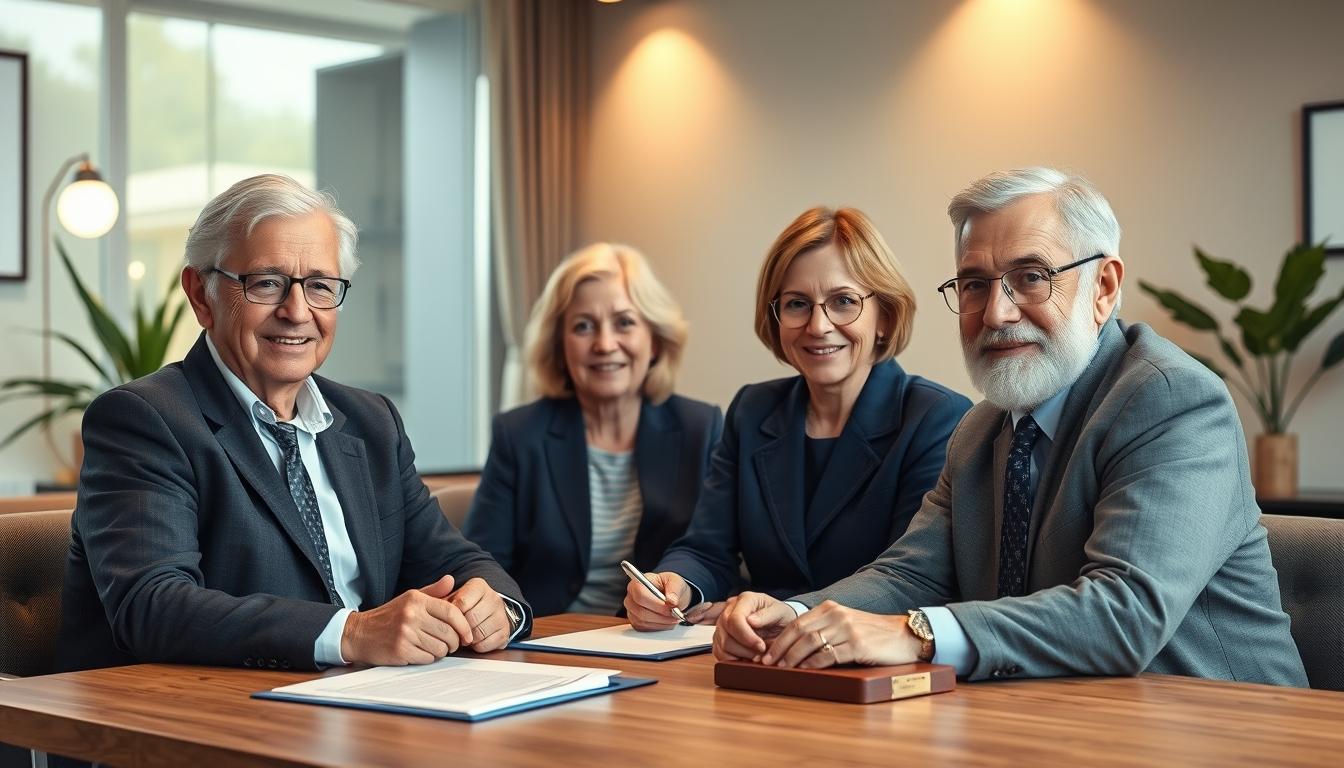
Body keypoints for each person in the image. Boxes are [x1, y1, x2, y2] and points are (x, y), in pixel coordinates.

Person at [713, 168, 1308, 687]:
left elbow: (1124, 612)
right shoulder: (980, 430)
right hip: (1060, 722)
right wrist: (793, 618)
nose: (996, 313)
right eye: (974, 284)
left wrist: (916, 633)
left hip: (1225, 728)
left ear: (1102, 288)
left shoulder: (1171, 399)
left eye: (1030, 277)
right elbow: (910, 572)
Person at [55, 174, 531, 673]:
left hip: (367, 708)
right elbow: (153, 606)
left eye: (321, 286)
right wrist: (352, 633)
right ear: (201, 294)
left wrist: (495, 605)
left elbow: (454, 560)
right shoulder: (144, 420)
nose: (298, 311)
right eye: (267, 283)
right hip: (205, 720)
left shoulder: (371, 423)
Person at [626, 207, 972, 630]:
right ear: (776, 318)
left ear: (884, 316)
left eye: (843, 302)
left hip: (875, 668)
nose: (818, 325)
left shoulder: (936, 418)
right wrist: (676, 584)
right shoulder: (752, 411)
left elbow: (909, 580)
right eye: (797, 305)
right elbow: (706, 549)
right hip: (757, 657)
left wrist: (776, 610)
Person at [464, 243, 723, 616]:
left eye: (625, 323)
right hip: (548, 641)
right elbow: (482, 566)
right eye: (584, 326)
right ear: (560, 345)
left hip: (660, 638)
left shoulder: (702, 428)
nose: (604, 344)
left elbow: (718, 553)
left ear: (654, 339)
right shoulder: (519, 435)